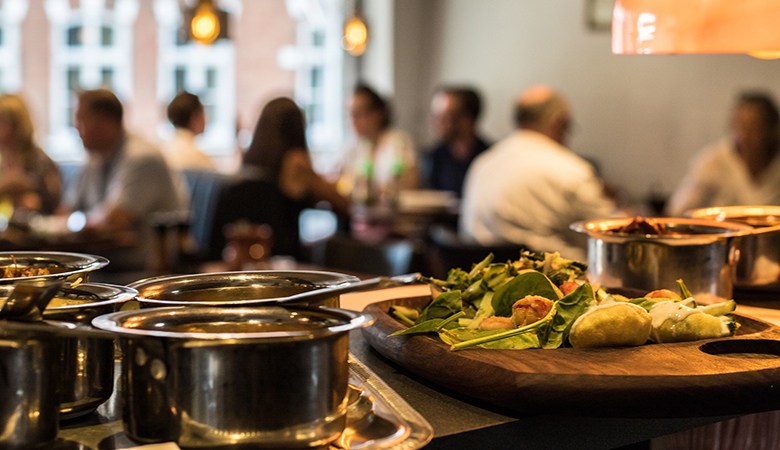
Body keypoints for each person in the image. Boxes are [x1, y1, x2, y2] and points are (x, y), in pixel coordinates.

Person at [459, 85, 620, 261]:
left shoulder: (482, 163)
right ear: (557, 122)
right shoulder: (571, 171)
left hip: (484, 280)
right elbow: (610, 237)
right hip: (553, 282)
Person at [63, 89, 182, 271]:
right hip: (109, 261)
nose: (76, 128)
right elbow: (65, 210)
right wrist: (80, 221)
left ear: (104, 123)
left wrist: (76, 222)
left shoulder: (142, 157)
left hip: (144, 269)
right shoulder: (95, 157)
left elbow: (115, 218)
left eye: (81, 120)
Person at [241, 97, 349, 258]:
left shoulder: (252, 159)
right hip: (286, 253)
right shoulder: (295, 161)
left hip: (257, 250)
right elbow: (342, 203)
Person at [666, 92, 780, 216]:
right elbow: (679, 210)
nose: (745, 136)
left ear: (771, 129)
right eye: (741, 126)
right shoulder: (713, 162)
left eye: (754, 127)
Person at [341, 84, 418, 205]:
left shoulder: (399, 141)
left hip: (394, 218)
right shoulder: (355, 146)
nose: (353, 121)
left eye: (358, 114)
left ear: (377, 114)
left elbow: (410, 185)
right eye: (350, 114)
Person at [424, 86, 490, 197]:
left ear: (467, 119)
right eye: (435, 116)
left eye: (444, 117)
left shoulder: (490, 158)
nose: (436, 123)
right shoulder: (433, 158)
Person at [0, 94, 61, 214]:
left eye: (1, 121)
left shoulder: (40, 161)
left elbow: (54, 205)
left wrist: (35, 203)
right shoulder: (2, 159)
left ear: (17, 124)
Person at [162, 91, 215, 172]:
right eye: (203, 113)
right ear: (195, 117)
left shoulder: (163, 149)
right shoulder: (198, 157)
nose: (205, 119)